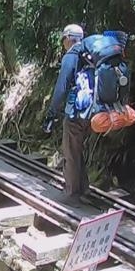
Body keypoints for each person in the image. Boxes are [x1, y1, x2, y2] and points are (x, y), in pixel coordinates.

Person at [43, 24, 90, 203]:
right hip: (92, 112)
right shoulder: (89, 56)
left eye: (63, 39)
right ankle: (83, 188)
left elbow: (61, 88)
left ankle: (71, 193)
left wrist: (51, 112)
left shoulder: (71, 56)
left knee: (70, 151)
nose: (63, 43)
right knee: (77, 148)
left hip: (76, 112)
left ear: (69, 38)